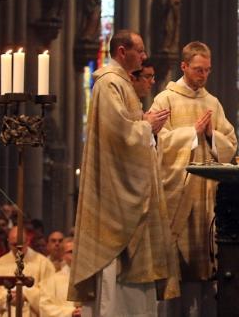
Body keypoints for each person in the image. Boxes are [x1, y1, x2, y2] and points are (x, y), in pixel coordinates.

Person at [69, 30, 179, 315]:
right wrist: (146, 126)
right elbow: (118, 134)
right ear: (121, 51)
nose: (144, 57)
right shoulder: (109, 85)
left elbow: (127, 128)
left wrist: (143, 124)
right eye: (139, 51)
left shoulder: (122, 85)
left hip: (131, 189)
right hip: (116, 200)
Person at [152, 41, 237, 316]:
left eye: (207, 71)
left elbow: (231, 144)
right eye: (198, 70)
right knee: (179, 276)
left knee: (205, 274)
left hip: (206, 200)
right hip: (179, 197)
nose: (203, 76)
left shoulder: (212, 102)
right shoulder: (165, 99)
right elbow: (157, 141)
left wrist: (211, 136)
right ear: (184, 66)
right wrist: (192, 132)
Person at [0, 227, 56, 317]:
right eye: (14, 244)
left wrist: (26, 293)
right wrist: (7, 296)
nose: (18, 248)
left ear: (27, 241)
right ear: (8, 242)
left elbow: (51, 292)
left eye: (21, 244)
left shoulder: (44, 264)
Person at [40, 237, 81, 317]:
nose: (75, 254)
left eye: (78, 250)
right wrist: (70, 312)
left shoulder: (91, 278)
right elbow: (45, 307)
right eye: (71, 252)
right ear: (63, 256)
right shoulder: (52, 280)